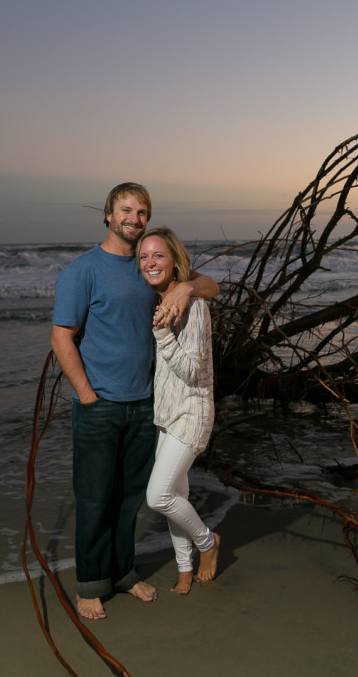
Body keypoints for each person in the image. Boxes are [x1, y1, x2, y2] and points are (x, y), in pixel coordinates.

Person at [50, 183, 218, 620]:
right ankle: (91, 584)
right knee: (94, 500)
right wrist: (86, 396)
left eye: (141, 212)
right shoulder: (82, 271)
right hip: (99, 404)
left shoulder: (149, 265)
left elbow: (211, 286)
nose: (134, 219)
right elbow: (61, 338)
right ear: (108, 214)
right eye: (125, 210)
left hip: (145, 405)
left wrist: (185, 288)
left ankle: (123, 574)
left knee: (129, 500)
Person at [137, 227, 221, 595]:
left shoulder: (194, 306)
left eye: (158, 255)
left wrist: (162, 335)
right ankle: (184, 568)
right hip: (167, 415)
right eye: (144, 257)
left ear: (174, 260)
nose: (150, 262)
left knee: (158, 496)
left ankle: (208, 542)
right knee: (177, 497)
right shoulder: (160, 299)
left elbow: (191, 371)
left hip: (191, 414)